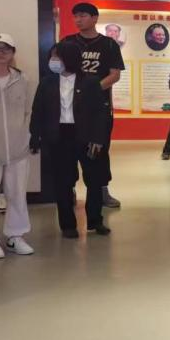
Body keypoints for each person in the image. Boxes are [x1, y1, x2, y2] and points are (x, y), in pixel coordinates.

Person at [30, 42, 112, 238]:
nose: (54, 60)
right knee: (63, 181)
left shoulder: (90, 82)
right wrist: (35, 135)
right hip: (59, 136)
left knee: (94, 180)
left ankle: (95, 220)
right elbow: (38, 110)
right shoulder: (47, 82)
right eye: (52, 56)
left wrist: (98, 139)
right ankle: (67, 225)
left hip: (86, 136)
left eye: (57, 56)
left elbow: (101, 113)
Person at [60, 2, 124, 208]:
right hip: (71, 107)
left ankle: (102, 191)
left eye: (83, 15)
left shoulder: (109, 44)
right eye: (75, 16)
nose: (78, 20)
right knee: (69, 151)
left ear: (95, 18)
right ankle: (69, 190)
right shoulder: (68, 42)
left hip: (99, 107)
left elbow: (115, 74)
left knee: (99, 150)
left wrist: (91, 89)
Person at [0, 33, 35, 258]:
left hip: (18, 148)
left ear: (13, 53)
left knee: (17, 194)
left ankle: (15, 236)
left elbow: (29, 112)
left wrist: (27, 138)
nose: (0, 53)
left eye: (6, 49)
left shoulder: (23, 79)